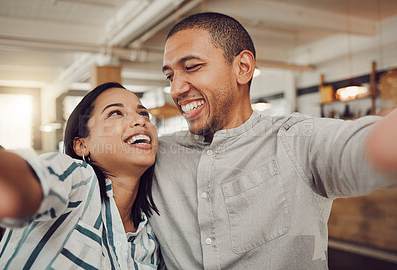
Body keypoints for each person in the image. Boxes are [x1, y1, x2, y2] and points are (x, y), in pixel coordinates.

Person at [149, 12, 397, 269]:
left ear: (243, 68)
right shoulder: (155, 156)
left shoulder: (298, 141)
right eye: (170, 76)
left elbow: (364, 145)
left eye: (191, 67)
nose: (176, 90)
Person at [0, 82, 162, 269]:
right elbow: (31, 179)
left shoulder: (149, 237)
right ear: (81, 145)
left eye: (143, 114)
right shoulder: (76, 178)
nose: (140, 121)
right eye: (115, 113)